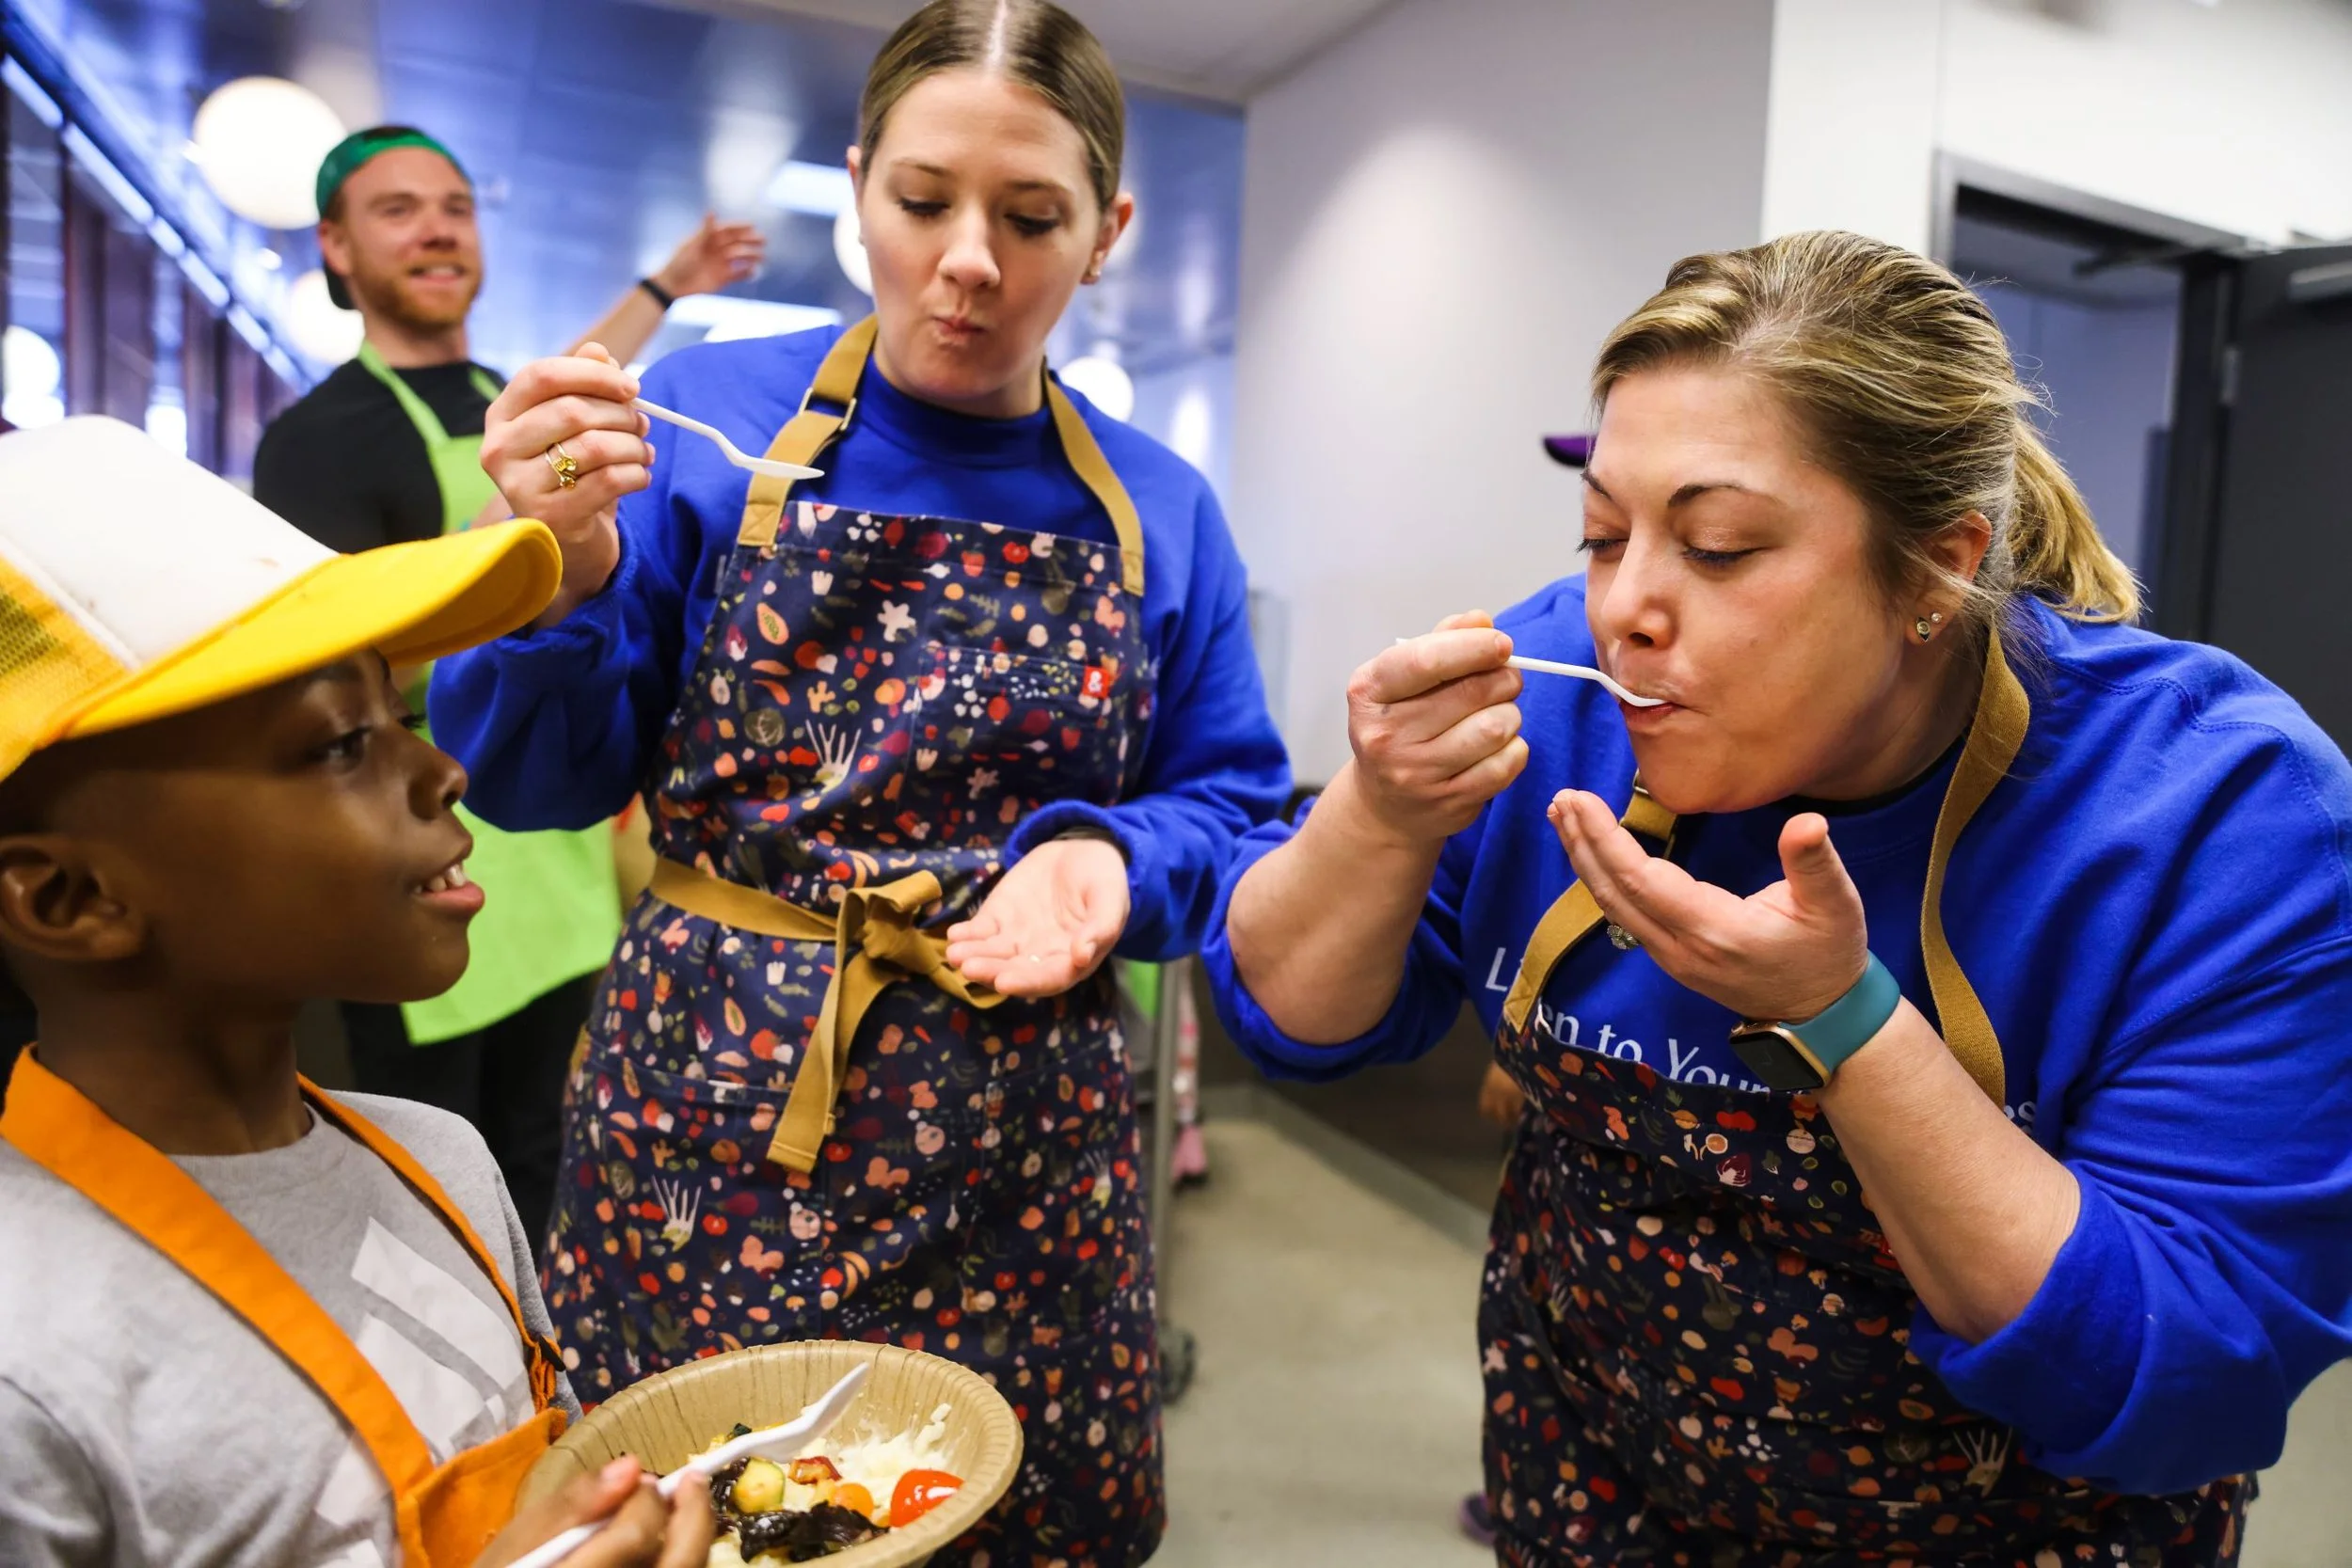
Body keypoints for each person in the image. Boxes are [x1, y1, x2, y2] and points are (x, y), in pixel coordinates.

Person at [1208, 231, 2352, 1565]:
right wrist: (1381, 809)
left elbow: (2175, 1374)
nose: (1627, 605)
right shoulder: (1557, 684)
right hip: (1593, 1488)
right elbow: (1292, 1012)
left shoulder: (2222, 816)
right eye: (1603, 532)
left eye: (1720, 545)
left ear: (1934, 571)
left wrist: (1848, 1023)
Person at [428, 3, 1288, 1561]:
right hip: (718, 1125)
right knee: (709, 1516)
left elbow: (1232, 801)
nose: (970, 261)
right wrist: (554, 570)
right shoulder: (704, 428)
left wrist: (1118, 859)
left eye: (1033, 218)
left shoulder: (1159, 509)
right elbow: (536, 778)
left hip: (1031, 1151)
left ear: (1109, 232)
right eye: (921, 201)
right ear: (857, 180)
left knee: (1021, 1515)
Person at [0, 417, 712, 1568]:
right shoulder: (31, 1366)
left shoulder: (442, 1163)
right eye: (339, 744)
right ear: (71, 896)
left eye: (404, 716)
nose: (443, 770)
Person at [253, 125, 765, 1237]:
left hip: (553, 863)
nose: (436, 226)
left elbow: (586, 384)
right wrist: (517, 535)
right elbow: (326, 667)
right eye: (397, 210)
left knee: (549, 1156)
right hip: (410, 857)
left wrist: (666, 287)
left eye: (454, 204)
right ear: (336, 247)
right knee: (429, 1188)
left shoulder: (509, 403)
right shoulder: (315, 439)